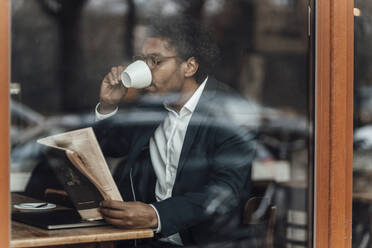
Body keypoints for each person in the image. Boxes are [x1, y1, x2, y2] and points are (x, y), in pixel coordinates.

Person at [93, 15, 257, 247]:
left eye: (155, 61)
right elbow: (111, 146)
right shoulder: (151, 108)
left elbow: (226, 190)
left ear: (189, 66)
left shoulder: (230, 113)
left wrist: (155, 215)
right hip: (146, 241)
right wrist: (108, 105)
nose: (146, 71)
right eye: (141, 60)